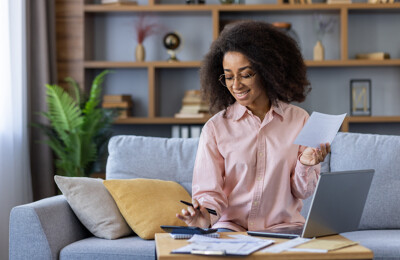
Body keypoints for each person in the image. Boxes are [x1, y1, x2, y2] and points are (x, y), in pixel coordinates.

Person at [176, 21, 330, 232]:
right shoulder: (215, 128)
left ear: (267, 71)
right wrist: (203, 216)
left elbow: (303, 192)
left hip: (285, 228)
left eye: (246, 74)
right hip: (233, 230)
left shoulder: (300, 120)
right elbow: (209, 194)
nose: (236, 85)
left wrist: (306, 163)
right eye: (229, 76)